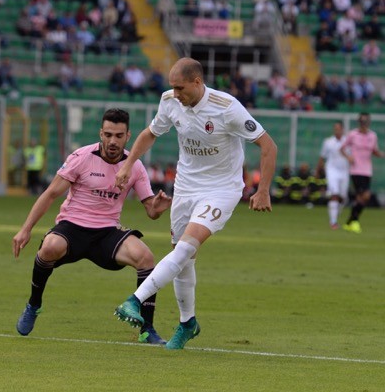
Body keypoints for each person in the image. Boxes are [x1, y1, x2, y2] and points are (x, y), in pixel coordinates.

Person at [113, 58, 277, 350]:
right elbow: (150, 134)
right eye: (173, 87)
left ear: (197, 82)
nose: (175, 93)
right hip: (186, 188)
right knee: (183, 257)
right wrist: (127, 165)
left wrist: (262, 190)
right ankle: (188, 322)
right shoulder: (169, 101)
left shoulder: (226, 107)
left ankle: (135, 300)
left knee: (185, 248)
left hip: (221, 190)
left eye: (180, 88)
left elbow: (268, 146)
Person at [12, 108, 172, 344]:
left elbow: (151, 210)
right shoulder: (81, 157)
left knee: (146, 258)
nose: (112, 141)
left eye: (118, 136)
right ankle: (34, 304)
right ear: (100, 133)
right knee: (49, 247)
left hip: (107, 232)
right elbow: (51, 194)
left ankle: (147, 330)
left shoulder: (135, 166)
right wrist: (25, 229)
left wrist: (157, 208)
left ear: (128, 136)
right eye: (108, 134)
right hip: (72, 227)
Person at [340, 113, 384, 233]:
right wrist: (348, 157)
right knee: (365, 196)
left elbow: (374, 151)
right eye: (362, 121)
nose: (364, 124)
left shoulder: (373, 136)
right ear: (359, 122)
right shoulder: (352, 134)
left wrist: (382, 154)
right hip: (356, 170)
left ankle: (351, 222)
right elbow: (342, 148)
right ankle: (353, 221)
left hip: (367, 170)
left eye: (366, 121)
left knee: (361, 198)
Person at [317, 122, 349, 229]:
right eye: (335, 128)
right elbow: (322, 157)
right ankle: (333, 222)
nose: (337, 130)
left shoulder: (347, 141)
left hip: (344, 171)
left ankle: (334, 214)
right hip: (332, 170)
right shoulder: (328, 142)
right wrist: (317, 171)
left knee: (343, 197)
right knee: (334, 194)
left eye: (339, 128)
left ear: (343, 129)